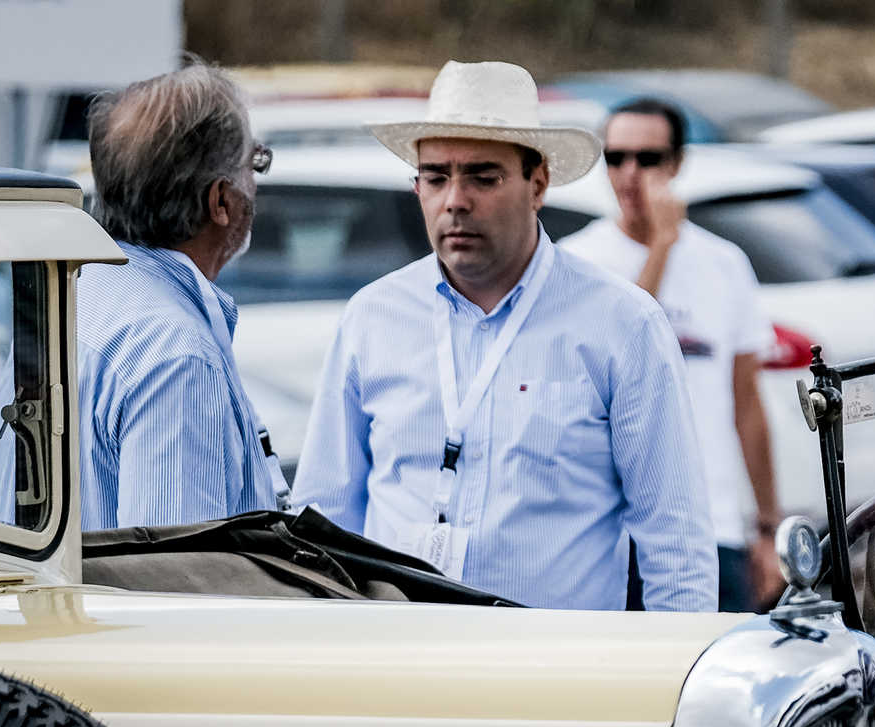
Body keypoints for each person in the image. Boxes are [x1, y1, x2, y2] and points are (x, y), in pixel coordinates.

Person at [291, 61, 714, 611]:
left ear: (537, 183)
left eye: (482, 177)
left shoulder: (621, 324)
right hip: (397, 667)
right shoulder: (373, 317)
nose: (455, 201)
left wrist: (669, 682)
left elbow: (675, 543)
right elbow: (323, 522)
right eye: (436, 178)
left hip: (554, 677)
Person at [0, 60, 288, 530]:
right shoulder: (176, 353)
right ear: (221, 201)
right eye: (256, 163)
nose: (257, 183)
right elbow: (176, 582)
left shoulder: (69, 303)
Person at [560, 97, 784, 611]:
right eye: (615, 158)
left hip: (711, 523)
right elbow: (616, 358)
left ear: (678, 163)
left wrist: (767, 528)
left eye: (648, 158)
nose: (630, 174)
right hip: (611, 533)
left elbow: (746, 403)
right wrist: (660, 248)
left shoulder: (724, 264)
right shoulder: (577, 263)